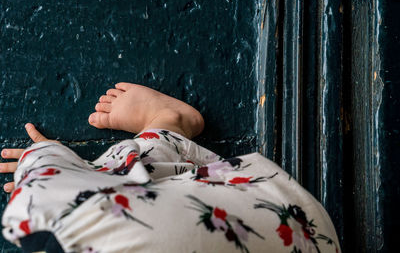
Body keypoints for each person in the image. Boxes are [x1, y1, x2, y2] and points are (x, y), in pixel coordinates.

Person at [1, 83, 341, 253]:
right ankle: (168, 126)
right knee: (109, 196)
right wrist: (43, 158)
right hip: (288, 216)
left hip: (316, 247)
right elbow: (45, 176)